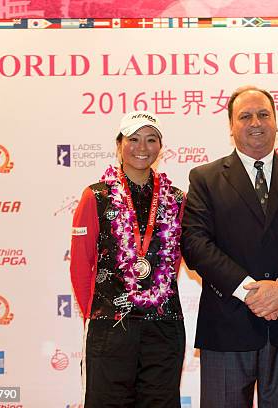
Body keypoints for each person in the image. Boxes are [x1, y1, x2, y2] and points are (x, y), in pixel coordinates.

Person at [181, 86, 278, 408]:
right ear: (231, 126)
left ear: (276, 123)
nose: (255, 122)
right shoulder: (205, 178)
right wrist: (250, 291)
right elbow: (194, 244)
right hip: (226, 325)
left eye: (263, 114)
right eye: (245, 116)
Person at [70, 111, 185, 407]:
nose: (142, 147)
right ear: (119, 144)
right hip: (110, 324)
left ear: (161, 147)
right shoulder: (96, 196)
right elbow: (81, 265)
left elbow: (178, 258)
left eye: (150, 140)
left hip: (164, 323)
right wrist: (96, 316)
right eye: (133, 139)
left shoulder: (176, 199)